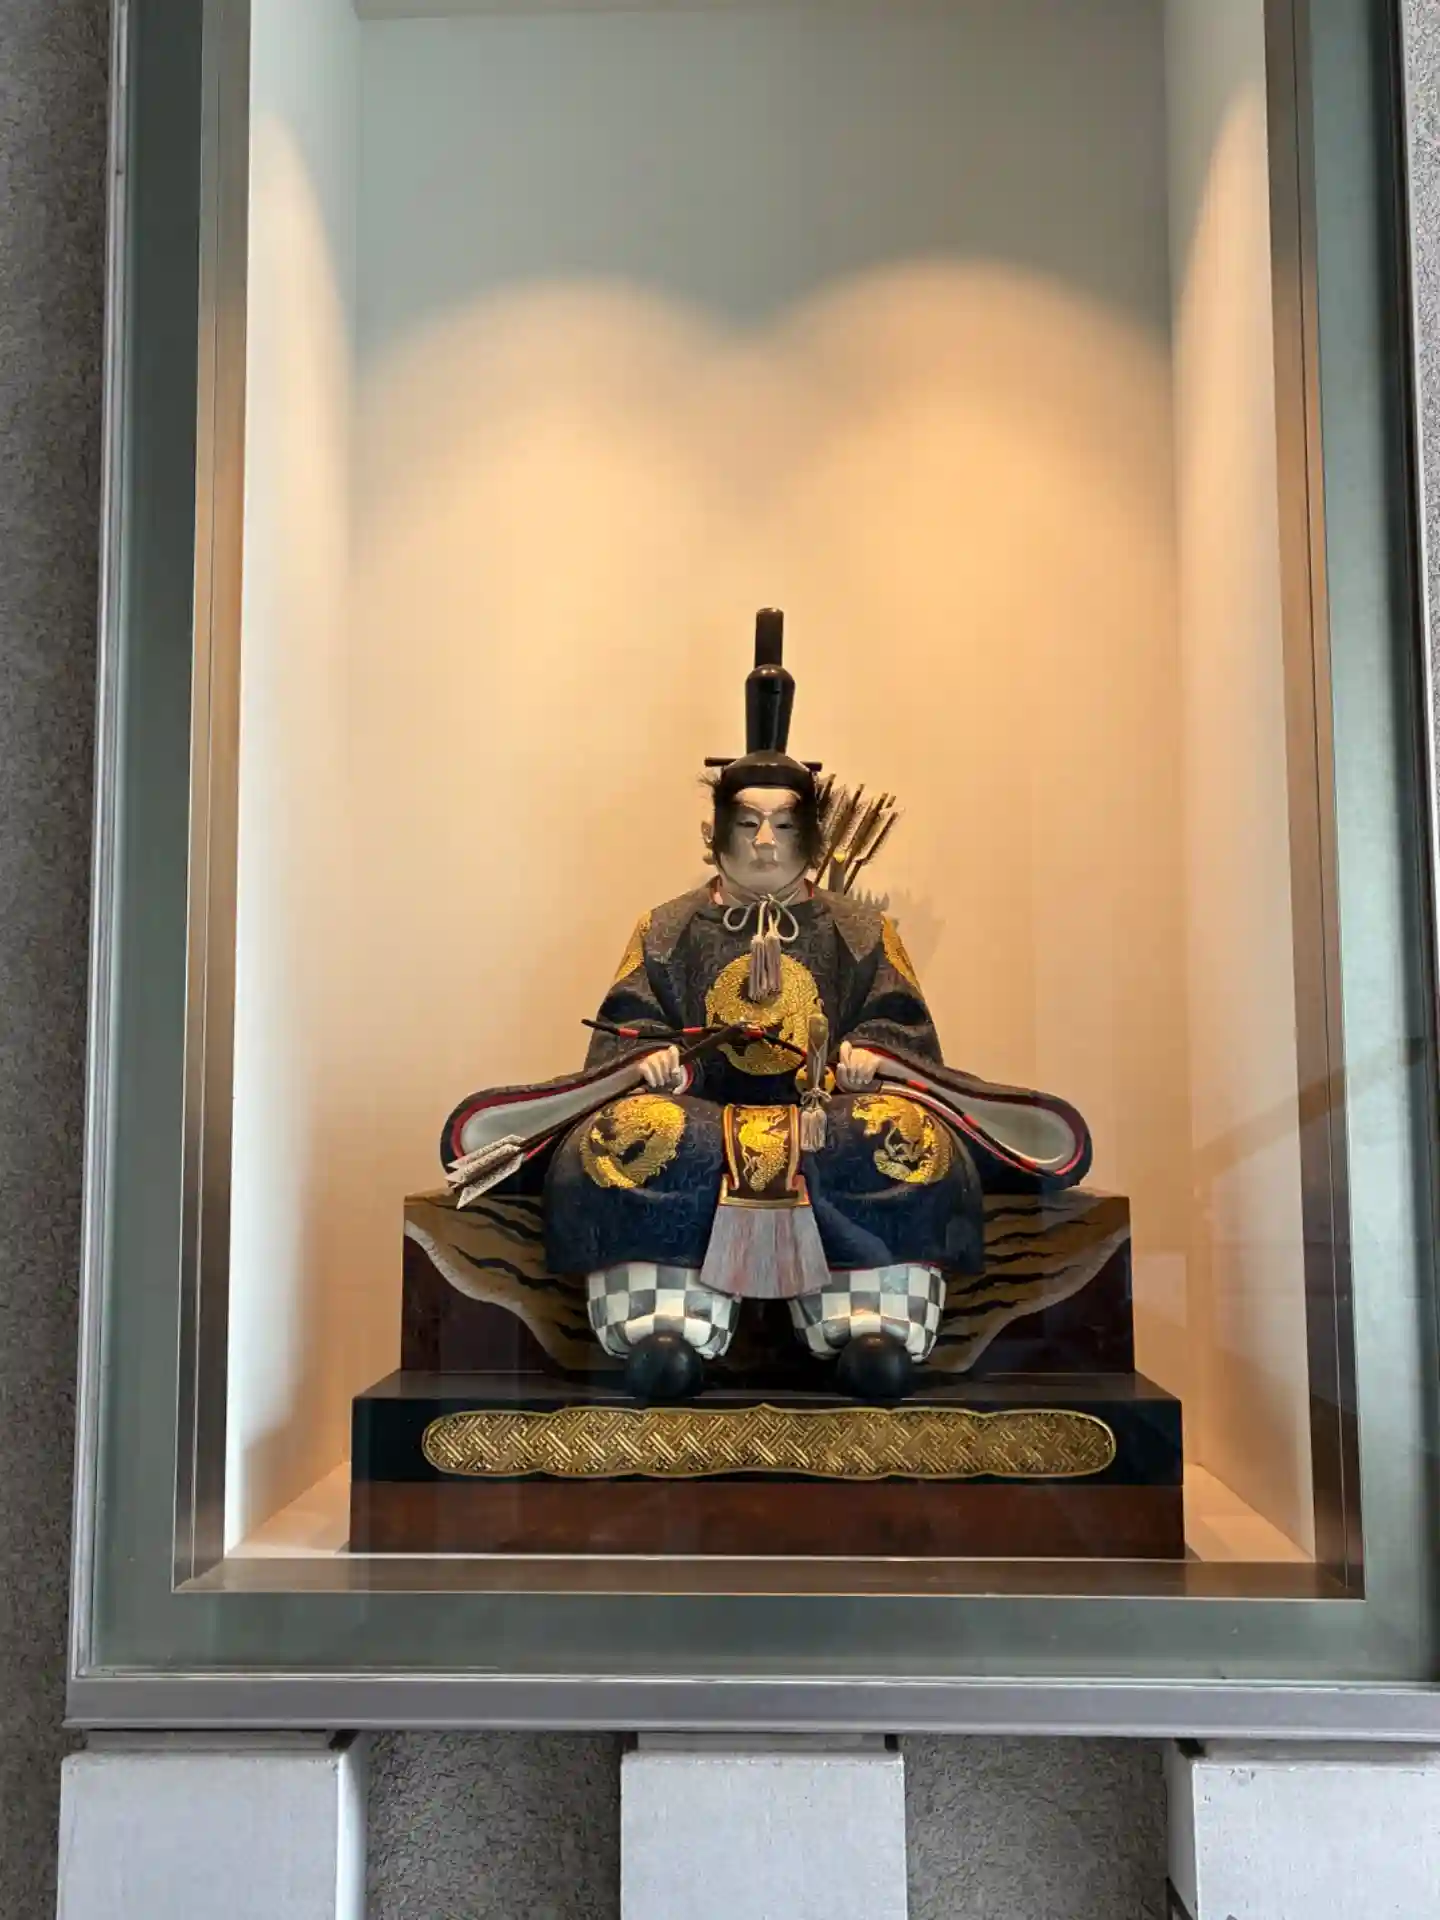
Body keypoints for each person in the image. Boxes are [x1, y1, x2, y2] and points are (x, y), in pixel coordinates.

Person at [442, 612, 1091, 1401]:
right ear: (714, 830)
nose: (763, 842)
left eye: (783, 825)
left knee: (901, 1140)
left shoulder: (859, 930)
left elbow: (903, 1031)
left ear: (811, 834)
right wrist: (652, 1062)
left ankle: (870, 1327)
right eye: (747, 823)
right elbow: (626, 1028)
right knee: (629, 1139)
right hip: (699, 1122)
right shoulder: (666, 927)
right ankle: (667, 1328)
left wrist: (870, 1062)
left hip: (825, 1121)